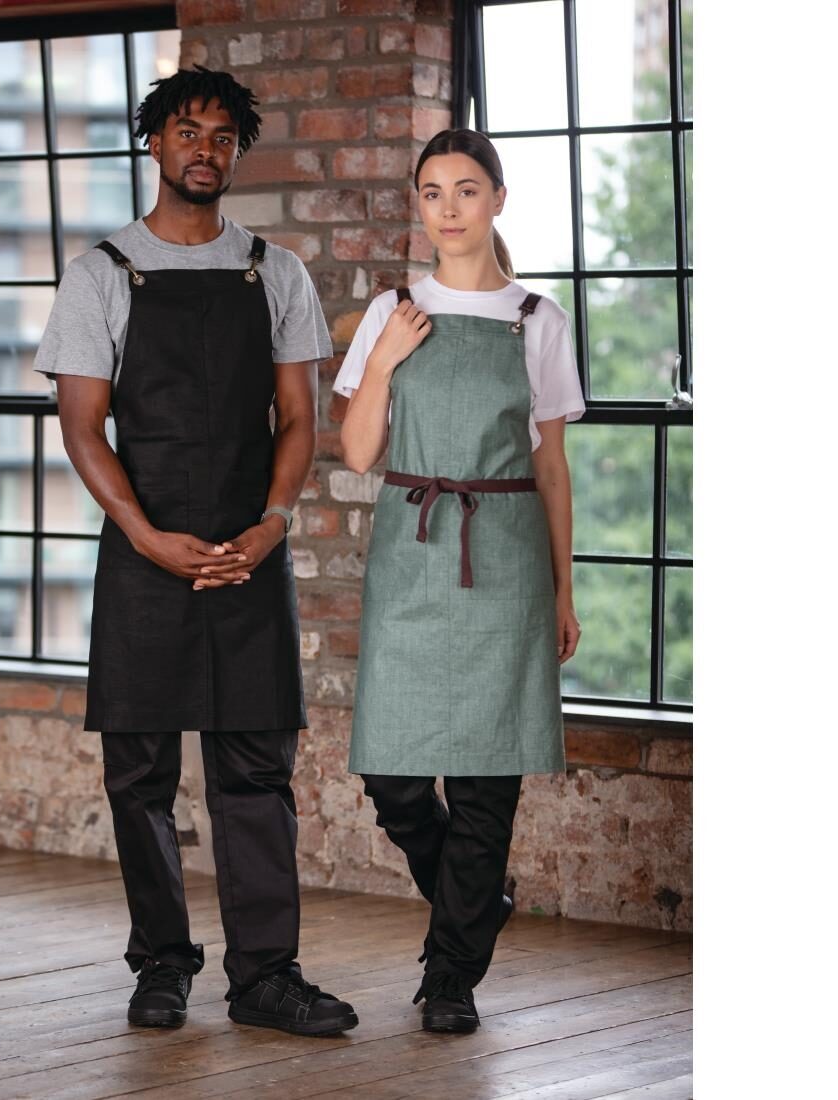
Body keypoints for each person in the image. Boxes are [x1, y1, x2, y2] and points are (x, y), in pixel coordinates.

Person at [34, 65, 358, 1037]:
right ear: (155, 142)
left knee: (256, 772)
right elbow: (83, 428)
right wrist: (146, 537)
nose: (204, 150)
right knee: (138, 776)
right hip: (143, 551)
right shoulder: (100, 273)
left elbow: (298, 418)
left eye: (222, 136)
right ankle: (162, 965)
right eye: (188, 132)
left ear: (236, 152)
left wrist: (273, 521)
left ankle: (266, 976)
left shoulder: (276, 272)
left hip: (249, 552)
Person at [333, 128, 584, 1034]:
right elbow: (358, 452)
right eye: (433, 192)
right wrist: (385, 360)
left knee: (486, 781)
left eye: (467, 190)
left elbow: (552, 467)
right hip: (413, 547)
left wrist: (563, 589)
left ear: (498, 200)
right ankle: (475, 903)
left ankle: (451, 979)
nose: (449, 209)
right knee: (393, 775)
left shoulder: (537, 319)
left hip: (505, 554)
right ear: (420, 203)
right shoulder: (393, 310)